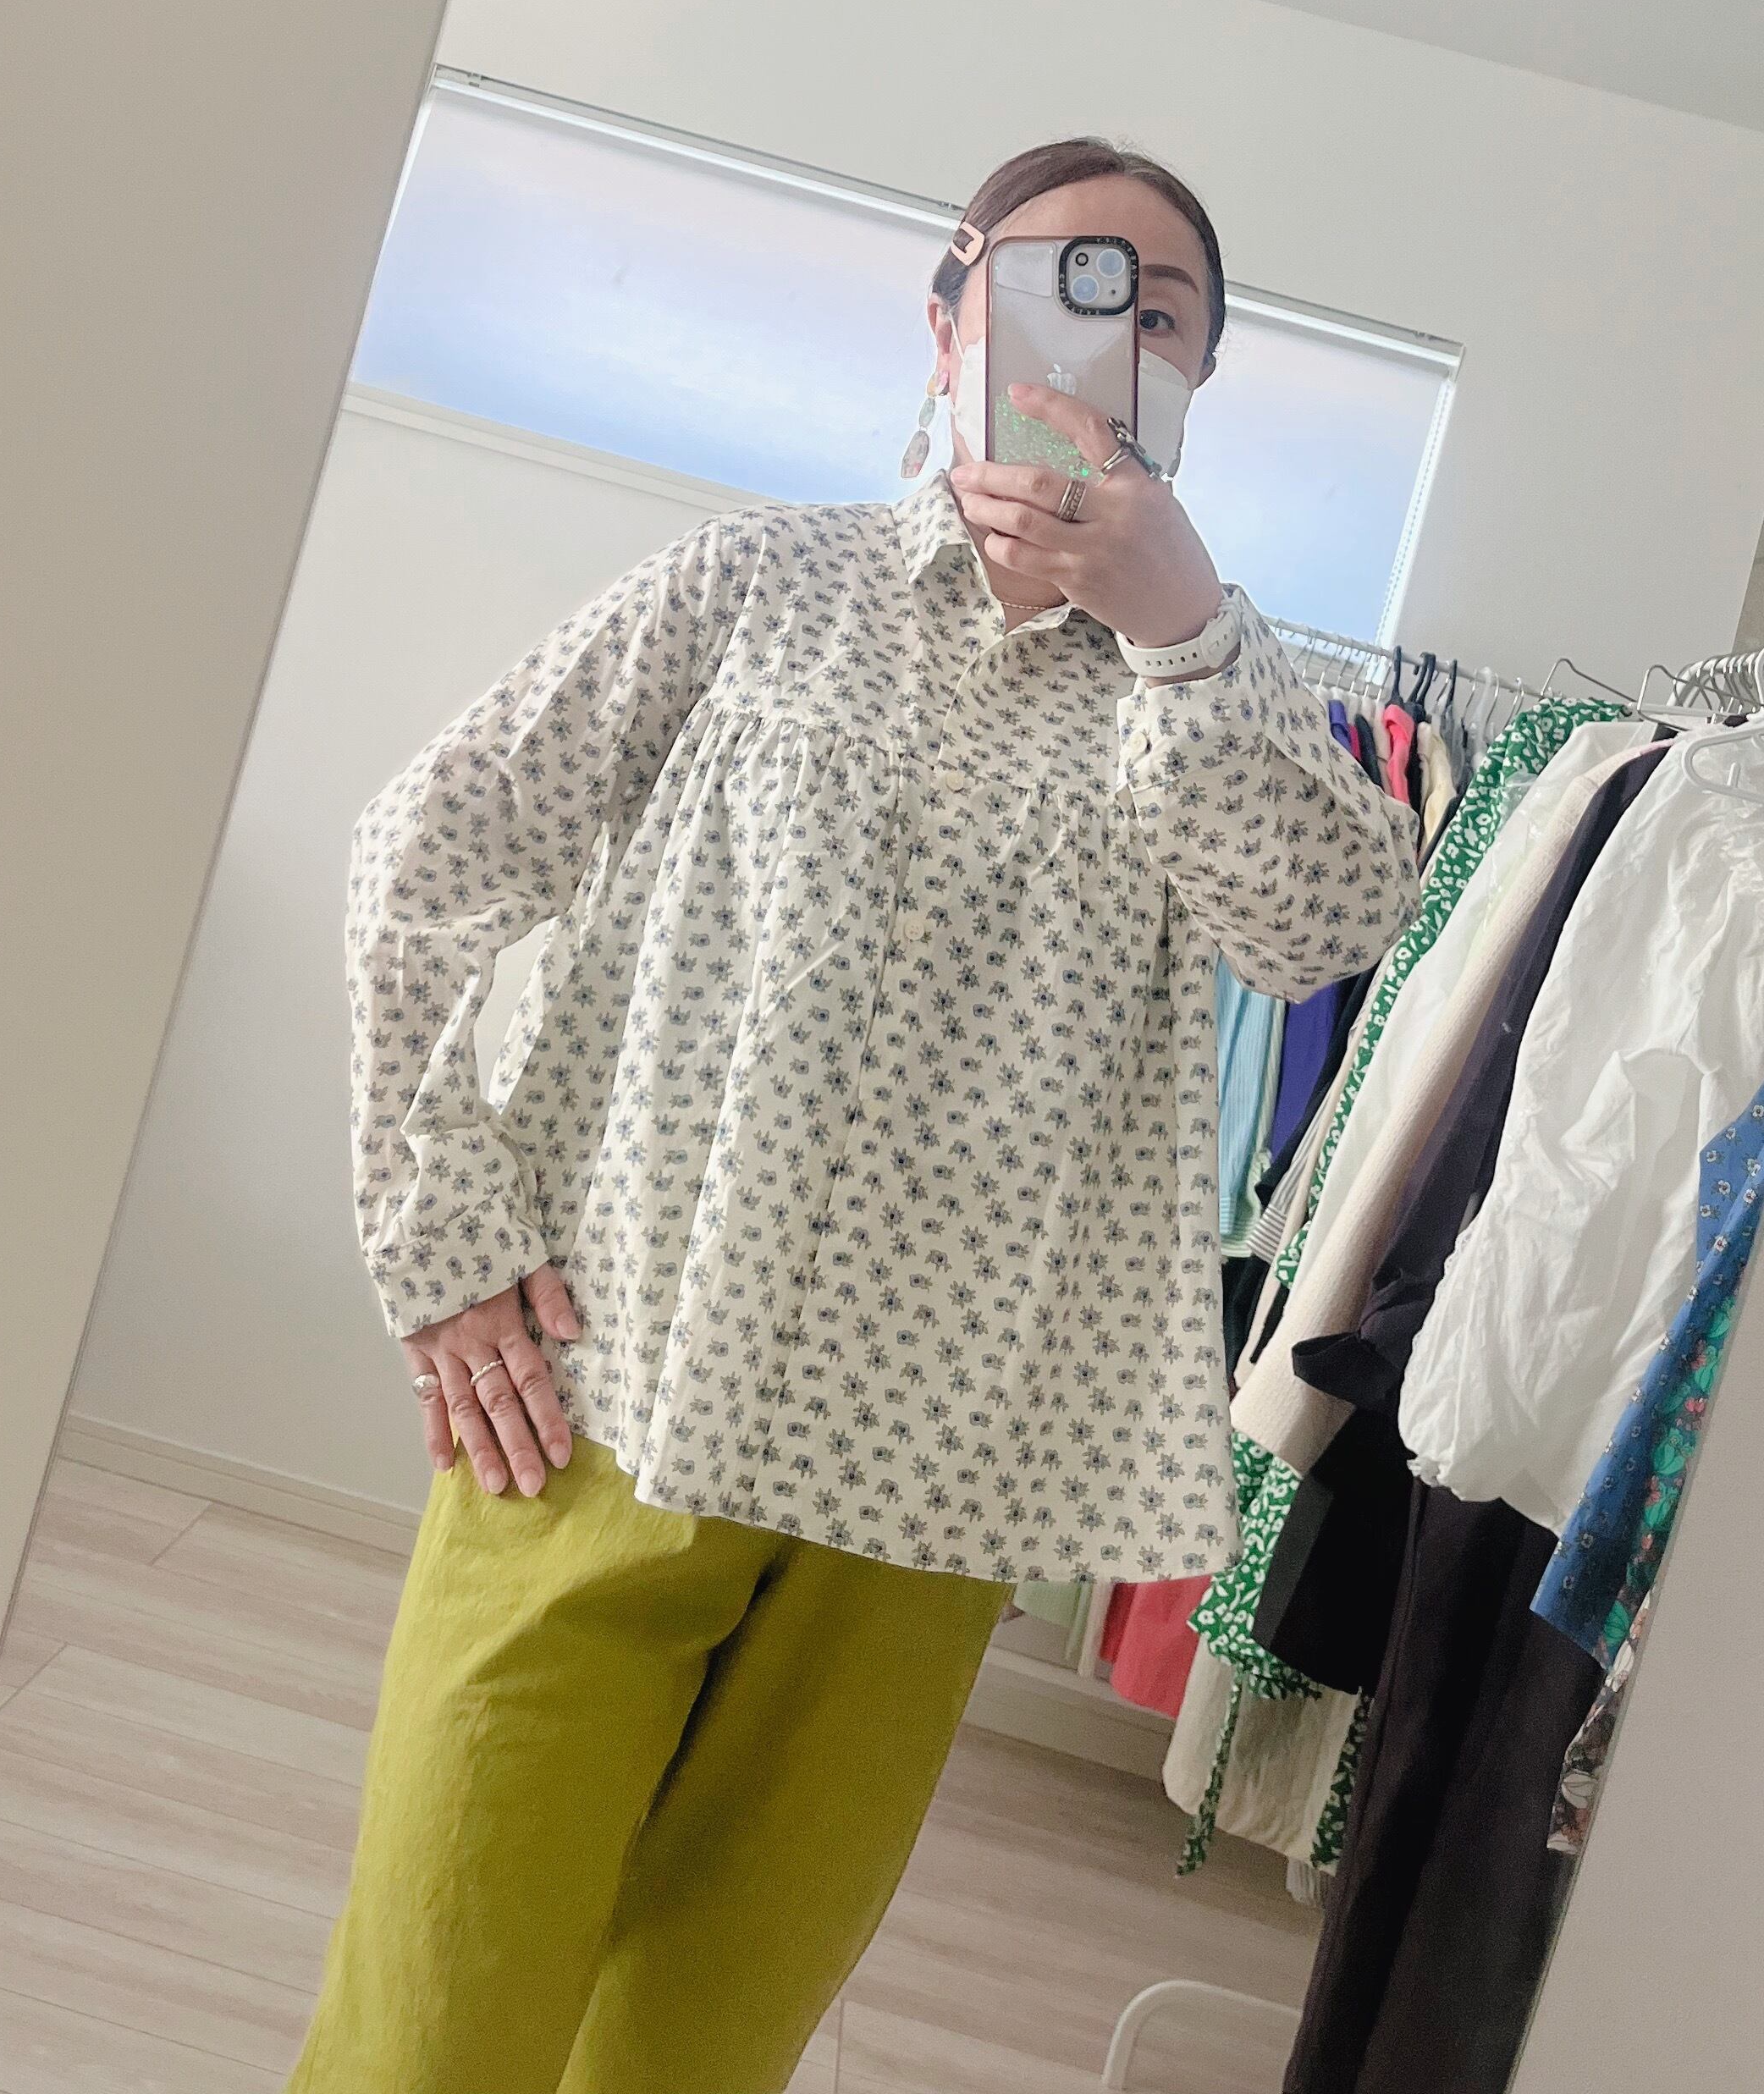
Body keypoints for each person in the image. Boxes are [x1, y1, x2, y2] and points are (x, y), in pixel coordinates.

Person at [287, 136, 1420, 2094]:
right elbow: (424, 860)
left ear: (1199, 381)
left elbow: (1322, 929)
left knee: (697, 2051)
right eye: (1063, 286)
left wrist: (1180, 627)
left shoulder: (1219, 689)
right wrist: (443, 1237)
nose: (1112, 338)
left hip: (931, 1493)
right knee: (432, 2022)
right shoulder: (750, 587)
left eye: (1161, 317)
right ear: (951, 315)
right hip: (608, 1409)